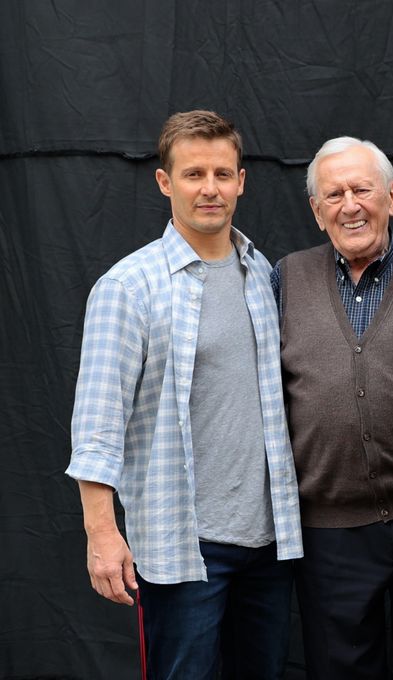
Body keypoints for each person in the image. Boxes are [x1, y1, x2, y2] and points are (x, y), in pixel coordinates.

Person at [66, 110, 303, 679]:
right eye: (194, 174)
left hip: (269, 540)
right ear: (165, 182)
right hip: (182, 544)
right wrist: (102, 533)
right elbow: (97, 424)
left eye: (223, 174)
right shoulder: (128, 287)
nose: (210, 189)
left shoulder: (261, 274)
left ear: (242, 181)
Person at [271, 137, 393, 679]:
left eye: (362, 189)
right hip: (330, 532)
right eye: (333, 194)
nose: (350, 205)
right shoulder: (284, 279)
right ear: (316, 211)